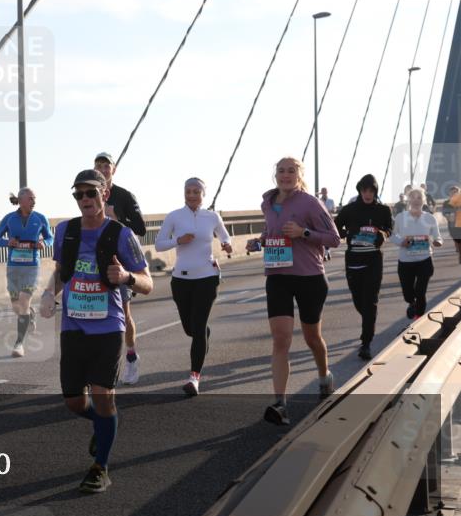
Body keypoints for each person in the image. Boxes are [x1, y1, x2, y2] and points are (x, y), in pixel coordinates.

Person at [40, 169, 153, 493]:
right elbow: (62, 272)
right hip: (73, 325)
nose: (85, 199)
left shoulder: (120, 234)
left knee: (104, 397)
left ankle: (100, 466)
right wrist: (49, 295)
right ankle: (104, 427)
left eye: (91, 193)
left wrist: (126, 278)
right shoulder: (65, 231)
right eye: (79, 194)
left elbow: (148, 282)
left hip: (108, 326)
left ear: (105, 195)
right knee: (75, 402)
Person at [245, 157, 340, 426]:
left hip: (309, 277)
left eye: (291, 171)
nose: (285, 175)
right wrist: (260, 240)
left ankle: (324, 377)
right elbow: (272, 231)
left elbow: (333, 238)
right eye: (281, 171)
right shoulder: (267, 202)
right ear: (274, 174)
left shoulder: (310, 202)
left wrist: (304, 232)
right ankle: (280, 404)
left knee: (312, 337)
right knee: (281, 339)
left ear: (299, 175)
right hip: (277, 277)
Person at [155, 178, 232, 396]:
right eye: (188, 191)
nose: (192, 195)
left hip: (207, 277)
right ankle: (203, 332)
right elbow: (159, 244)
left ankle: (194, 378)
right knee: (191, 329)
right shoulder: (174, 216)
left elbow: (225, 237)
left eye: (196, 191)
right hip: (181, 279)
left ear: (203, 194)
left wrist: (226, 245)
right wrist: (179, 240)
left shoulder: (212, 217)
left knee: (197, 328)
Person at [93, 152, 146, 386]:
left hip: (120, 264)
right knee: (95, 315)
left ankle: (132, 357)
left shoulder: (125, 196)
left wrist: (117, 218)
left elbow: (141, 228)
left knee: (124, 315)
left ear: (114, 170)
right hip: (95, 263)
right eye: (99, 166)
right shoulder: (91, 193)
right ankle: (99, 365)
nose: (103, 169)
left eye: (107, 166)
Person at [334, 174, 393, 360]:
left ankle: (366, 343)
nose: (367, 194)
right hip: (353, 259)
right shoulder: (350, 210)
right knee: (359, 300)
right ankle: (369, 318)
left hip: (374, 259)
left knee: (370, 301)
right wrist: (344, 233)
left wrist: (383, 234)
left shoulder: (383, 210)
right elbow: (334, 225)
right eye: (364, 190)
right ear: (360, 191)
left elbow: (389, 228)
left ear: (375, 192)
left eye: (371, 191)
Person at [0, 188, 54, 357]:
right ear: (21, 200)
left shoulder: (40, 218)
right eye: (31, 199)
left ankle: (19, 343)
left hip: (32, 267)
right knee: (16, 305)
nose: (34, 201)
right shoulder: (9, 219)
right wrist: (7, 242)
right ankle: (30, 315)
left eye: (35, 198)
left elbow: (50, 237)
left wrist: (44, 244)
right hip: (14, 267)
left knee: (24, 300)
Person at [390, 187, 443, 319]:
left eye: (419, 197)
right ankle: (411, 303)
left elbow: (438, 237)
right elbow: (392, 235)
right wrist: (401, 242)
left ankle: (418, 318)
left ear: (423, 201)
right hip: (405, 261)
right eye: (412, 197)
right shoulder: (400, 217)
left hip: (424, 260)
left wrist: (437, 242)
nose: (415, 200)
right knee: (408, 294)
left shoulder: (430, 218)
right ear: (408, 200)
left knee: (420, 291)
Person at [443, 185, 461, 264]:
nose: (454, 194)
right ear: (449, 194)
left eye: (456, 192)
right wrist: (448, 216)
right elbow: (445, 213)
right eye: (452, 192)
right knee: (456, 239)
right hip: (452, 224)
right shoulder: (446, 203)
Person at [318, 188, 336, 260]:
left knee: (329, 236)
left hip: (329, 221)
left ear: (327, 192)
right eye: (323, 192)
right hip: (321, 221)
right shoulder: (318, 200)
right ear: (321, 193)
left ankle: (327, 252)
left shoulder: (331, 201)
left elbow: (334, 209)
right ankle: (326, 253)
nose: (324, 193)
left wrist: (331, 210)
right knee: (324, 237)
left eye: (325, 192)